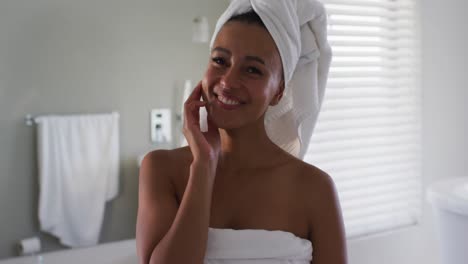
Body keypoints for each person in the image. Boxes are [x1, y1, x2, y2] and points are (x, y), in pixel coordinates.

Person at [136, 0, 347, 263]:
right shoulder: (160, 169)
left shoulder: (315, 189)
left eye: (252, 70)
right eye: (220, 61)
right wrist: (203, 165)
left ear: (278, 92)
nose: (227, 82)